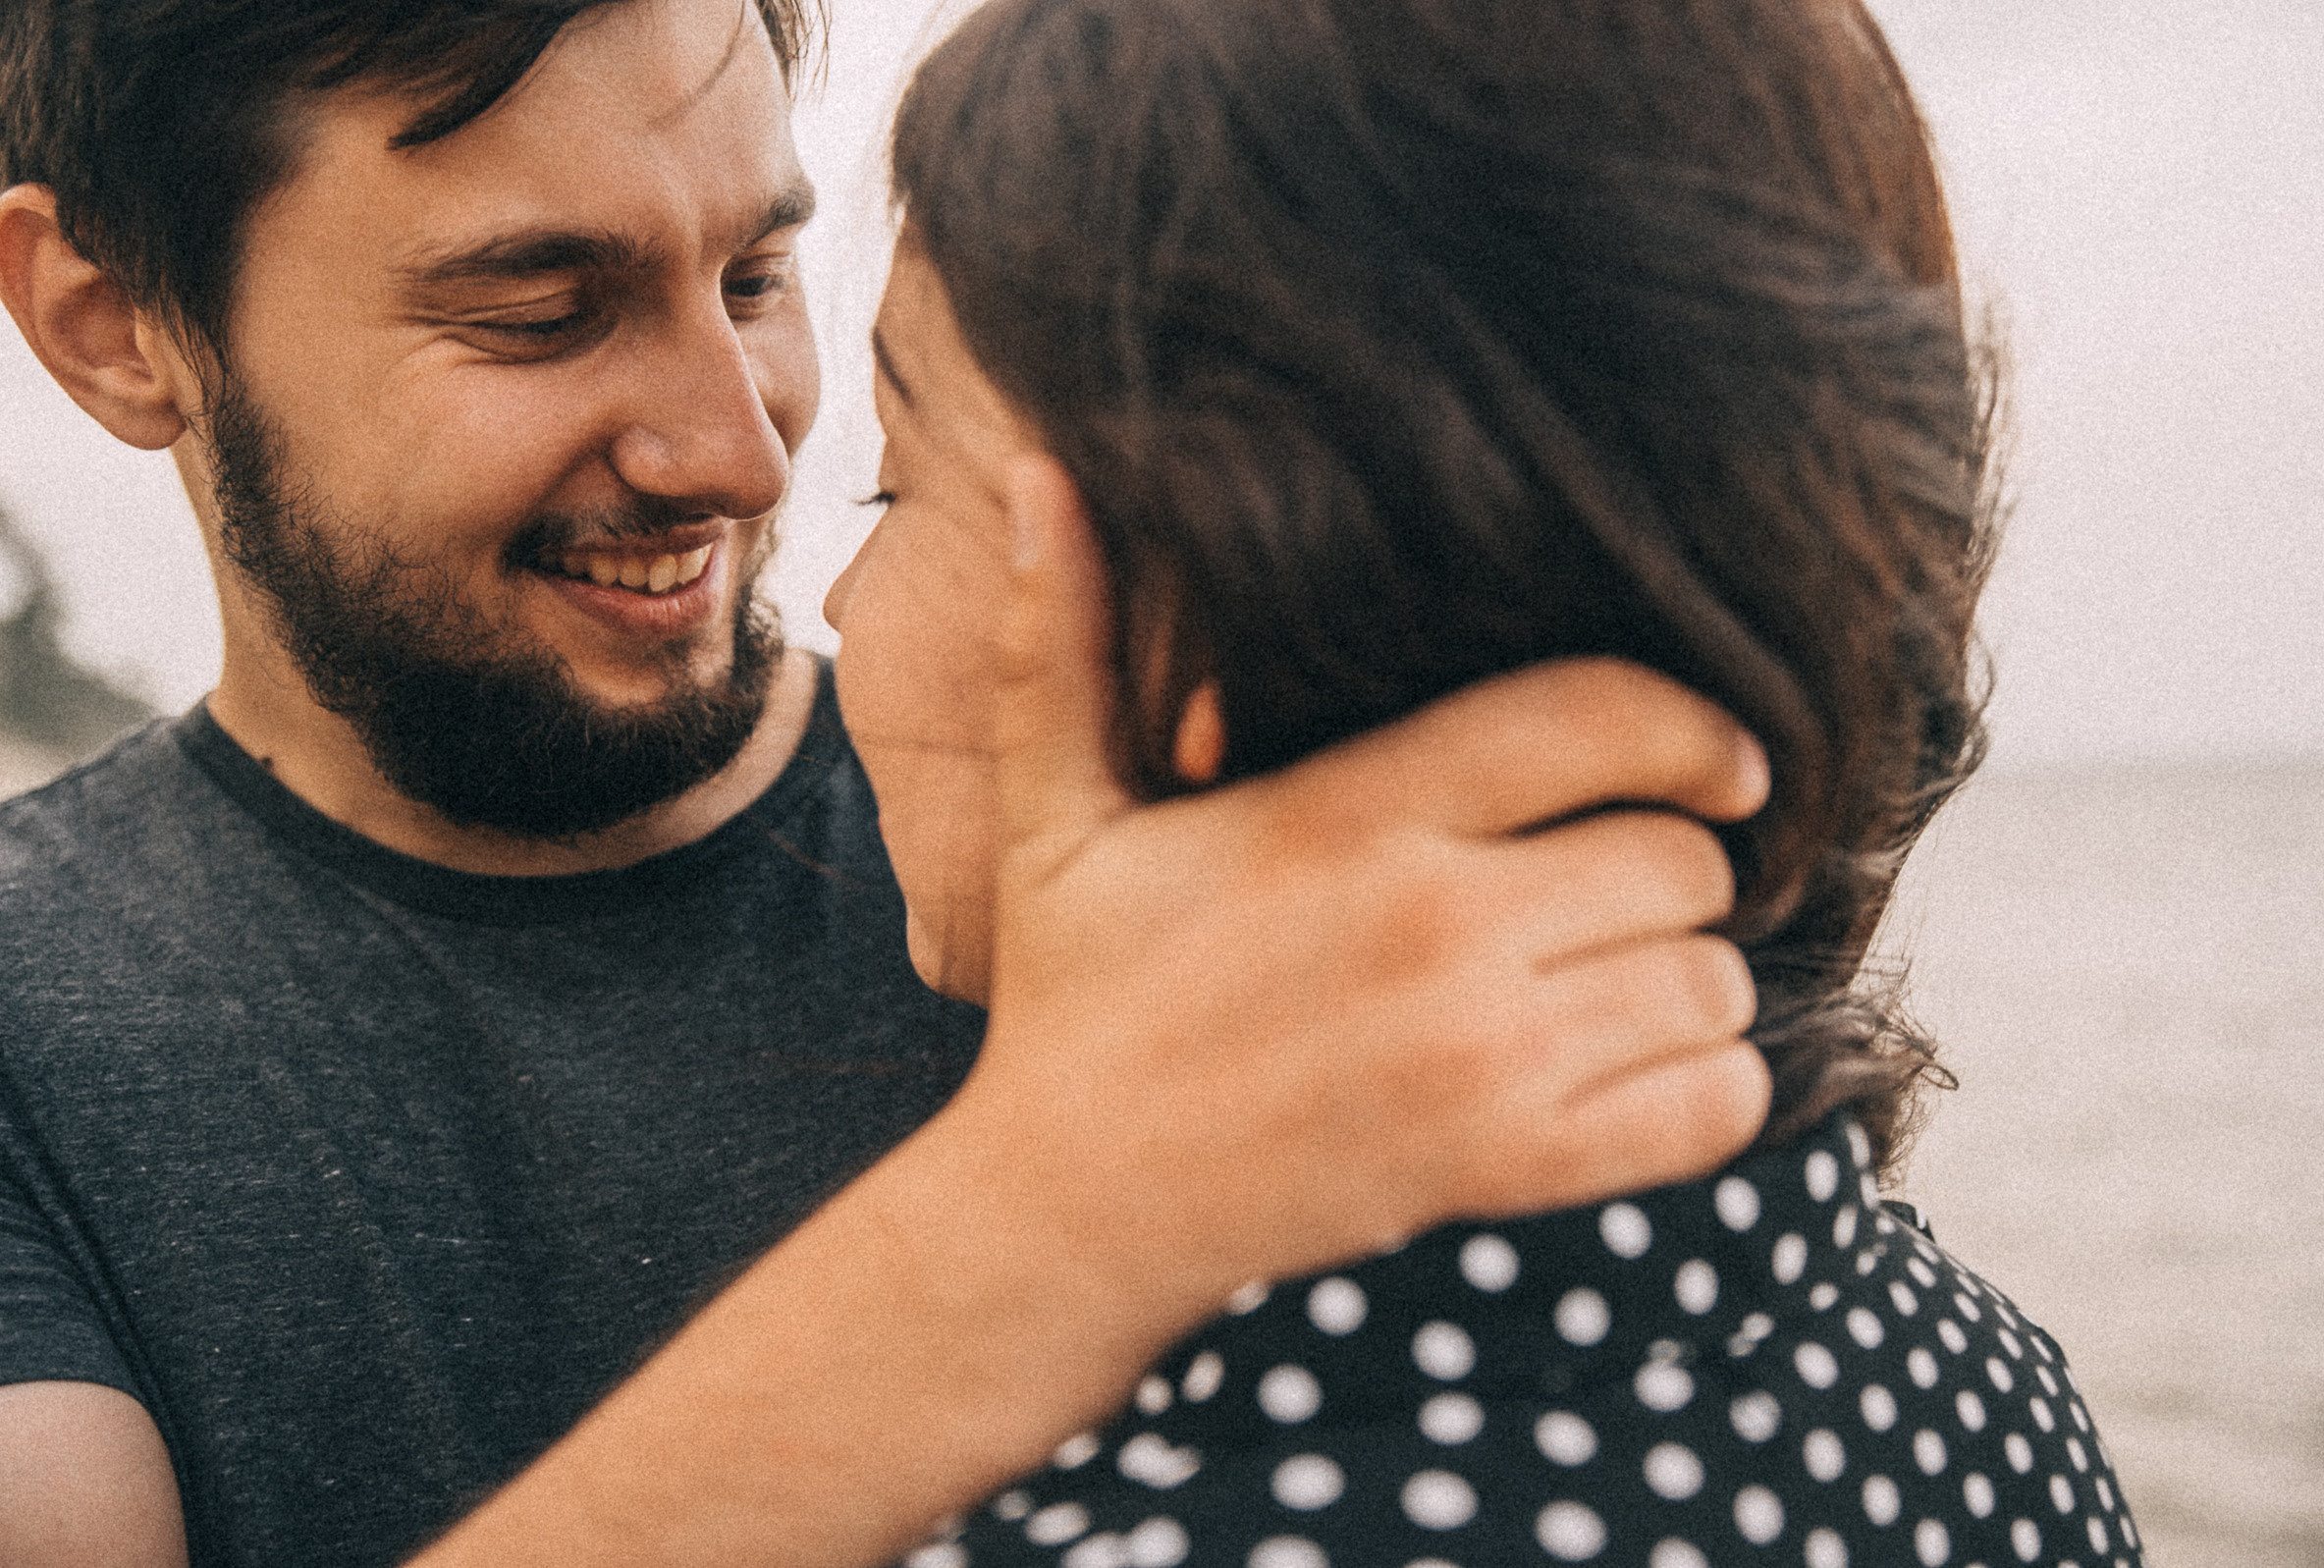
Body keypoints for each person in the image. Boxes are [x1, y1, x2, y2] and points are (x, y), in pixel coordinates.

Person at [0, 0, 1781, 1563]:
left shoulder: (1161, 832)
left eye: (758, 277)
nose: (741, 446)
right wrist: (1041, 1227)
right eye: (543, 311)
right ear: (110, 325)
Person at [821, 0, 2146, 1563]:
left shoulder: (1111, 1523)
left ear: (1226, 598)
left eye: (896, 481)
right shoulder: (1992, 1397)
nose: (835, 603)